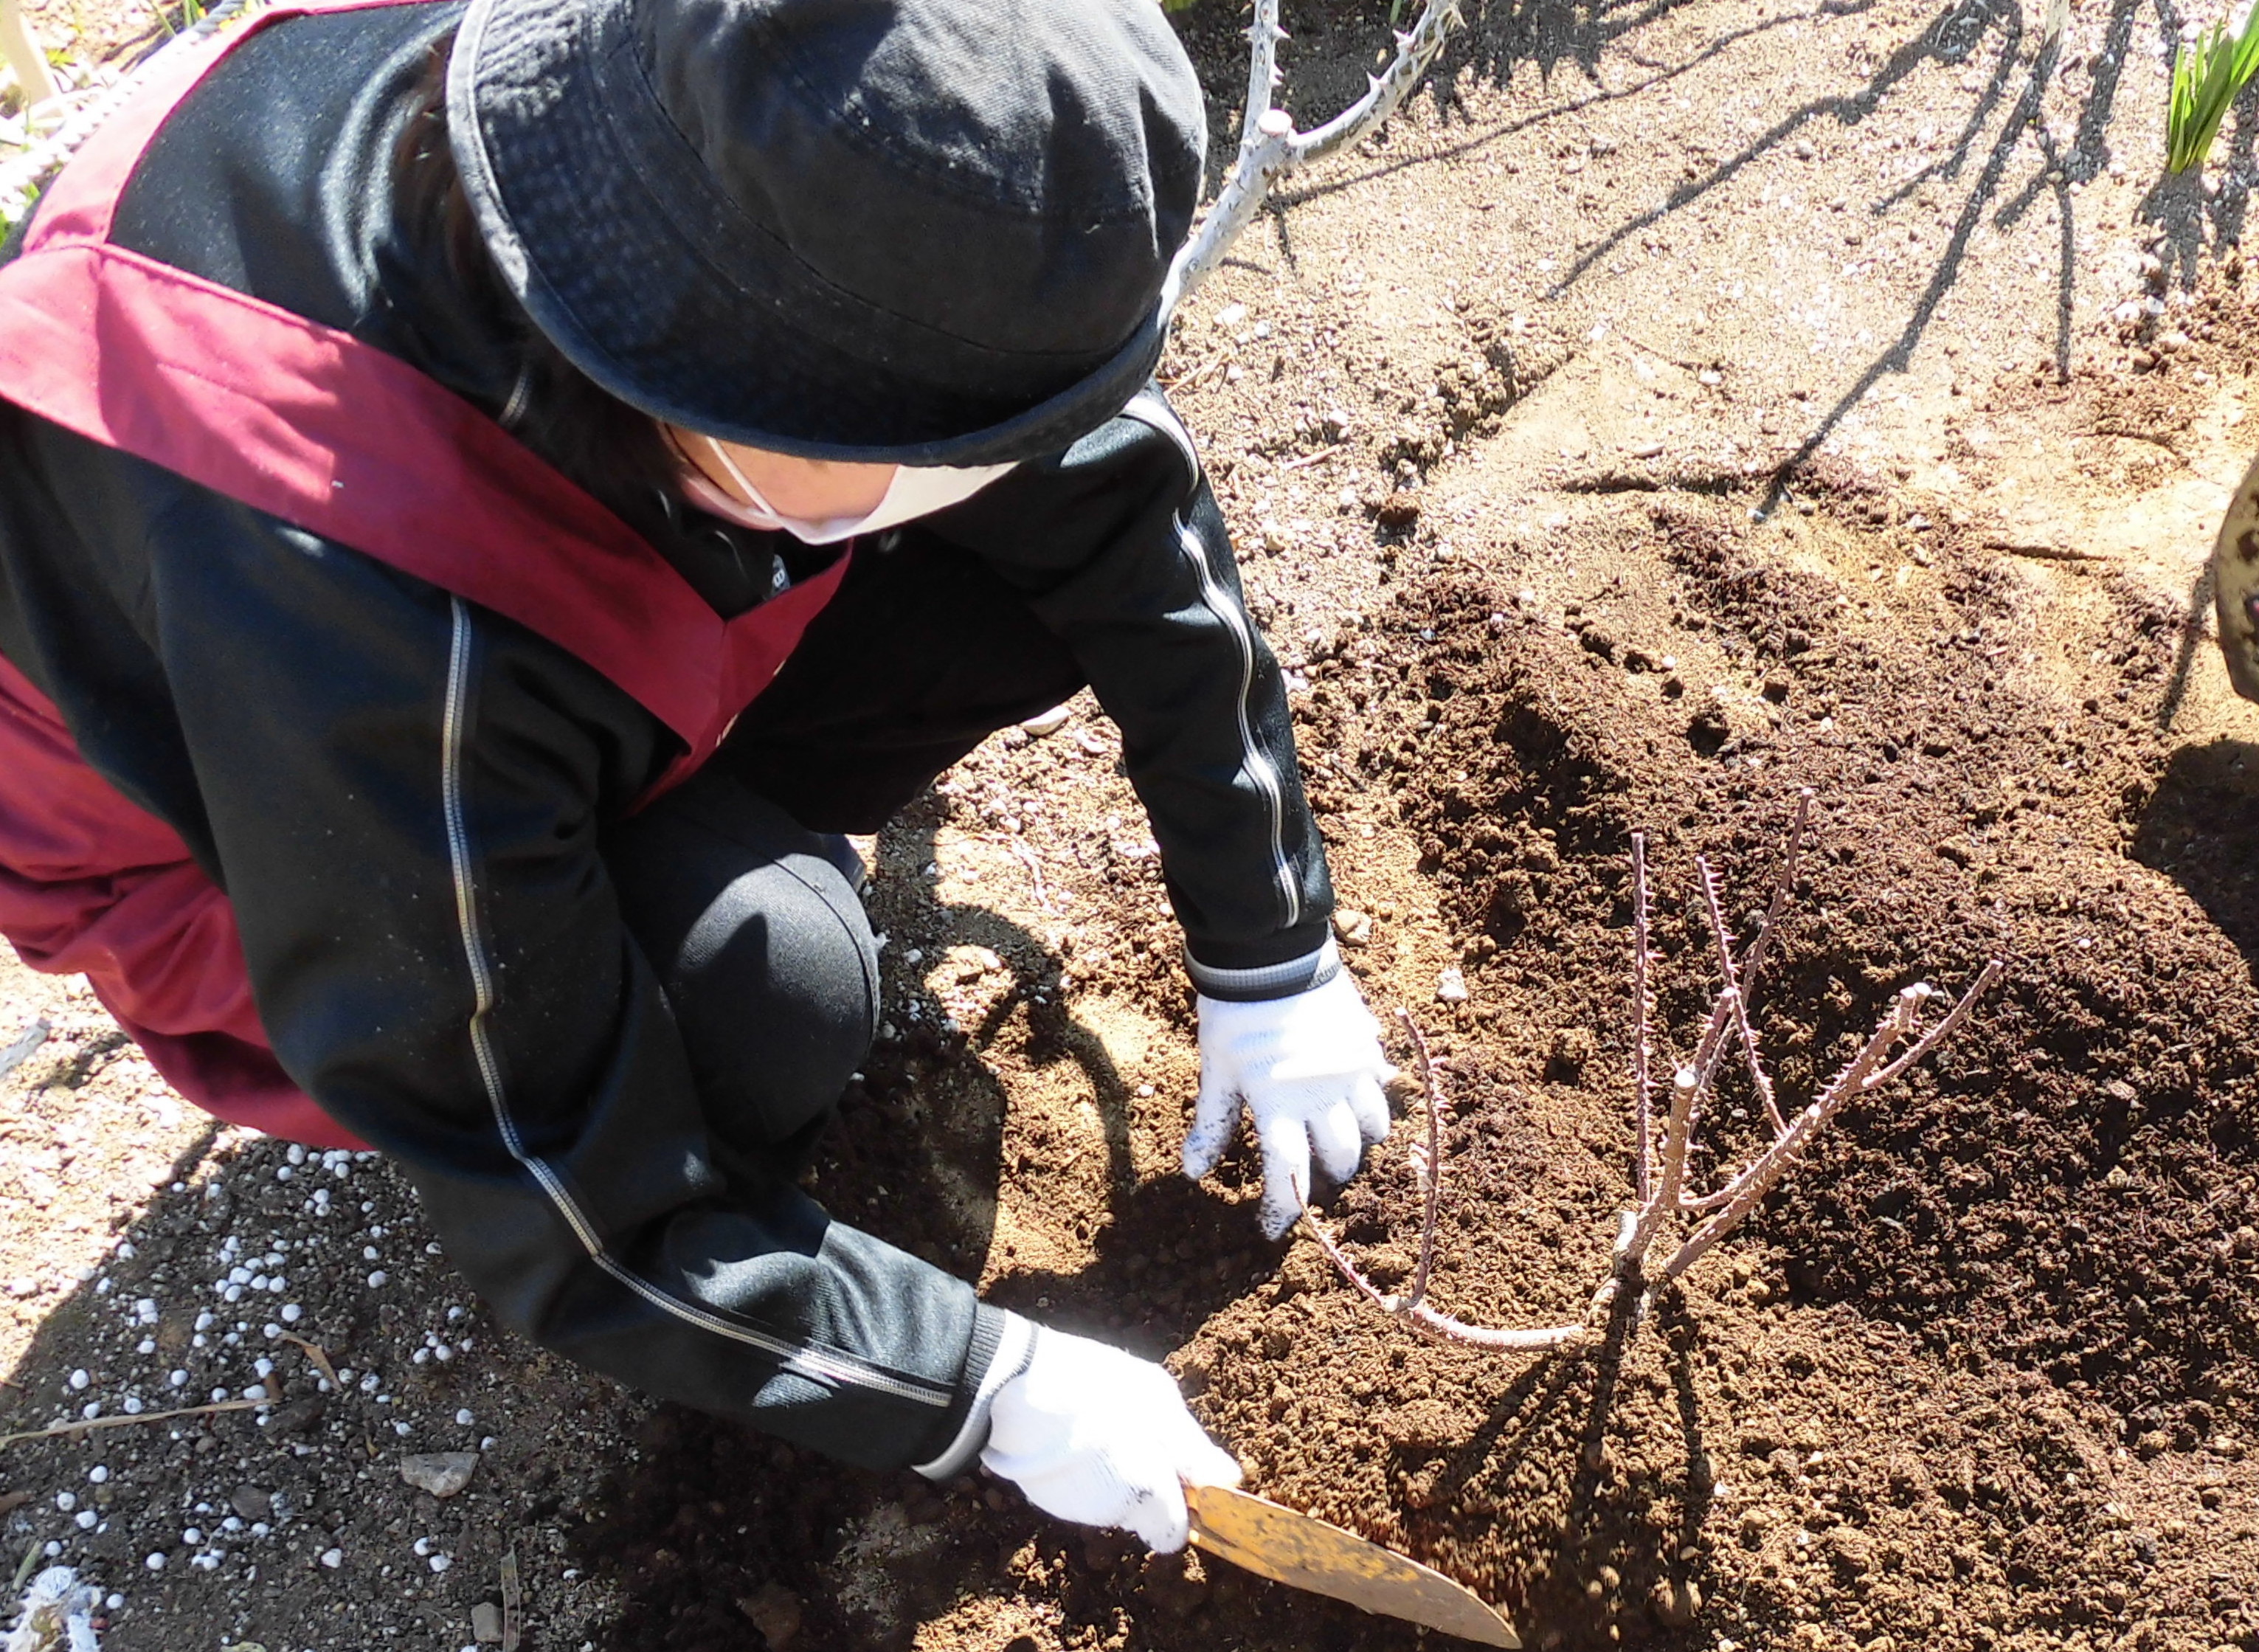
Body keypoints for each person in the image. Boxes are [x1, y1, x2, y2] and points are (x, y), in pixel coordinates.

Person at [0, 0, 1395, 1554]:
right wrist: (976, 1385)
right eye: (958, 437)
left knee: (1016, 566)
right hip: (259, 834)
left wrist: (1270, 948)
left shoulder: (728, 148)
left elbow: (1111, 490)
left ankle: (682, 816)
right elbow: (573, 1212)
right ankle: (667, 943)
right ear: (726, 384)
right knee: (770, 992)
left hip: (548, 655)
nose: (1011, 458)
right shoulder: (368, 628)